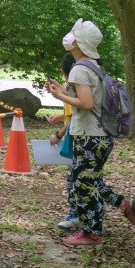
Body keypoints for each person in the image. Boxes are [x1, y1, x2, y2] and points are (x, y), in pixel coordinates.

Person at [45, 19, 135, 246]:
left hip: (90, 137)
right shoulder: (94, 66)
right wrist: (63, 90)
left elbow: (87, 103)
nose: (69, 36)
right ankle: (124, 206)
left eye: (73, 33)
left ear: (79, 43)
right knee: (89, 180)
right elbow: (90, 99)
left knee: (85, 185)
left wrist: (60, 97)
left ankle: (92, 234)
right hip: (101, 137)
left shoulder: (79, 68)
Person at [49, 52, 78, 229]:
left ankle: (75, 215)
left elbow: (75, 118)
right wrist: (60, 117)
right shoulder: (79, 86)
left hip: (74, 139)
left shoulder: (71, 89)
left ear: (62, 71)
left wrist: (58, 135)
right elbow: (71, 113)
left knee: (74, 179)